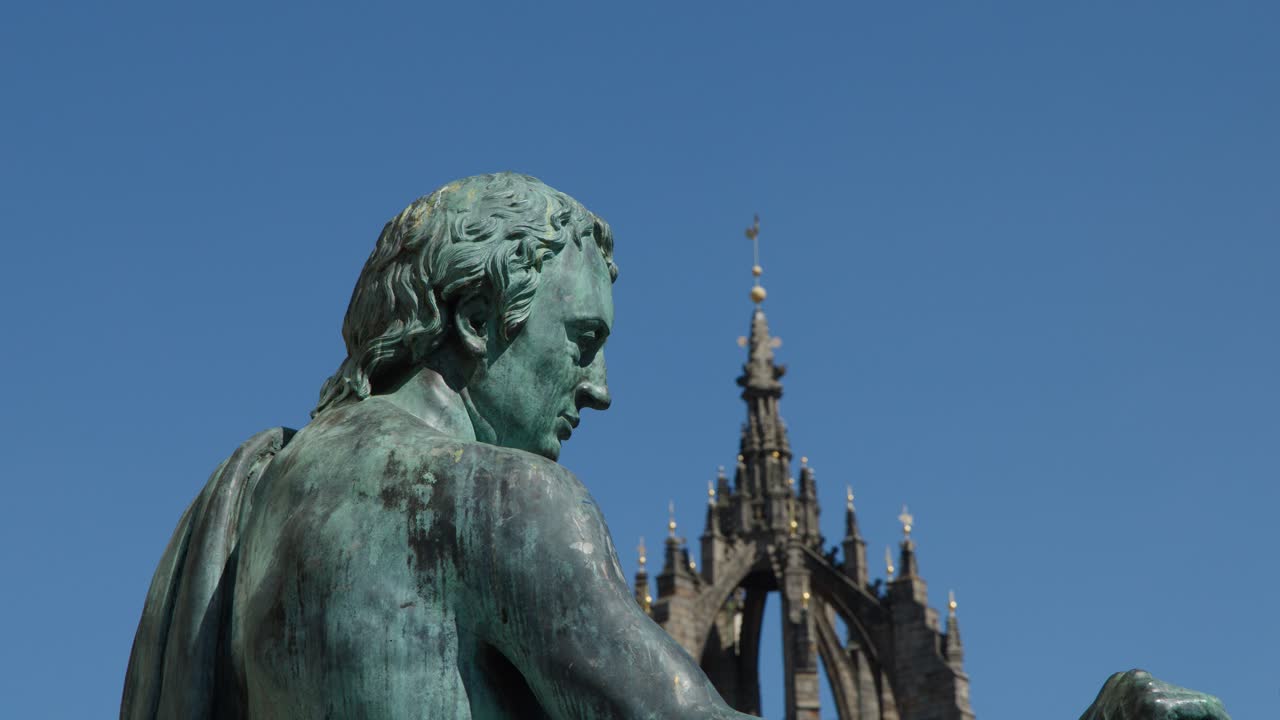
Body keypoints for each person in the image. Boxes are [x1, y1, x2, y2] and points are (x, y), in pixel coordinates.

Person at [123, 173, 1229, 720]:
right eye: (581, 341)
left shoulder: (251, 490)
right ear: (473, 322)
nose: (597, 390)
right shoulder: (500, 502)